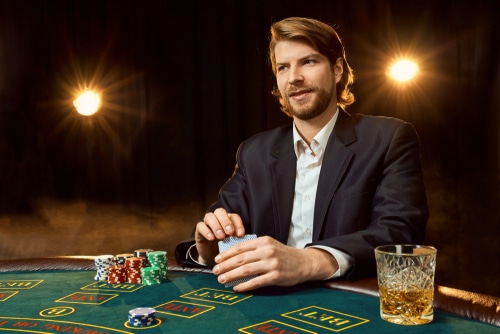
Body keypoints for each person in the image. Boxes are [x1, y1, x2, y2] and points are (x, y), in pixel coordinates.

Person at [175, 17, 428, 292]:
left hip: (353, 308)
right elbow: (217, 232)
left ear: (337, 69)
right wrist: (208, 249)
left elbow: (400, 233)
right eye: (283, 67)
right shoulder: (254, 152)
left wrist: (308, 261)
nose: (294, 77)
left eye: (308, 62)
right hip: (266, 309)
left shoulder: (388, 138)